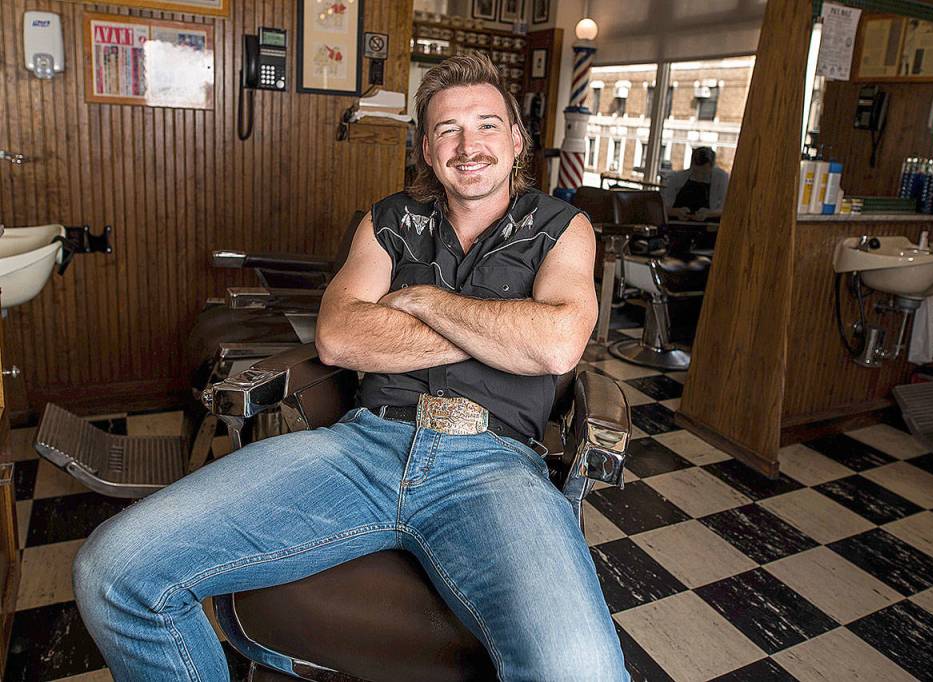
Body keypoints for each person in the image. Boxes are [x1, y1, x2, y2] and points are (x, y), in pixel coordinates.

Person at [72, 53, 629, 681]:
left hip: (494, 466)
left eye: (486, 124)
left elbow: (556, 346)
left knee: (579, 669)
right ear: (426, 146)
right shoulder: (388, 221)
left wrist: (421, 299)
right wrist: (506, 326)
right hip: (363, 447)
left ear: (517, 138)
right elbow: (339, 338)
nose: (468, 145)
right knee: (114, 572)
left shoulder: (560, 226)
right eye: (448, 129)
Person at [661, 145, 730, 221]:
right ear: (692, 165)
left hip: (708, 227)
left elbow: (726, 209)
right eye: (696, 172)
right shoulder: (677, 178)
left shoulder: (721, 178)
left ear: (711, 166)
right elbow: (663, 207)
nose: (700, 176)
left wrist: (709, 214)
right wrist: (677, 212)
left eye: (704, 174)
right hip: (679, 225)